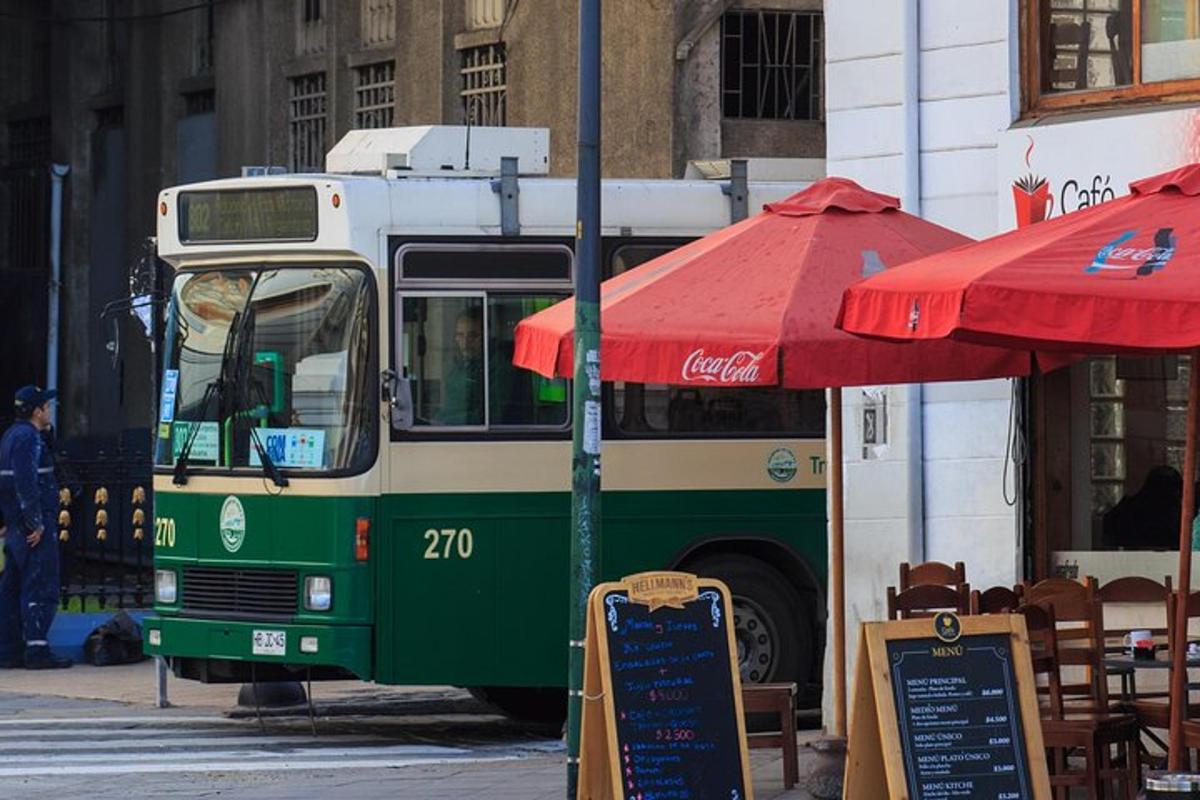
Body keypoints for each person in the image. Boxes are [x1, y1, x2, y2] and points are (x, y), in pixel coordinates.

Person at [0, 385, 71, 669]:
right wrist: (37, 523)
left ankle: (8, 649)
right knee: (40, 585)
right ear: (36, 411)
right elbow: (25, 483)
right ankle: (37, 650)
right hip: (31, 528)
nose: (50, 410)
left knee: (12, 586)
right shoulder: (28, 438)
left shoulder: (10, 436)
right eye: (46, 407)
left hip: (16, 526)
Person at [438, 307, 485, 425]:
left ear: (485, 336)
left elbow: (486, 417)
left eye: (473, 336)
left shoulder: (496, 368)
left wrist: (444, 421)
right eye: (460, 335)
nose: (465, 343)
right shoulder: (457, 368)